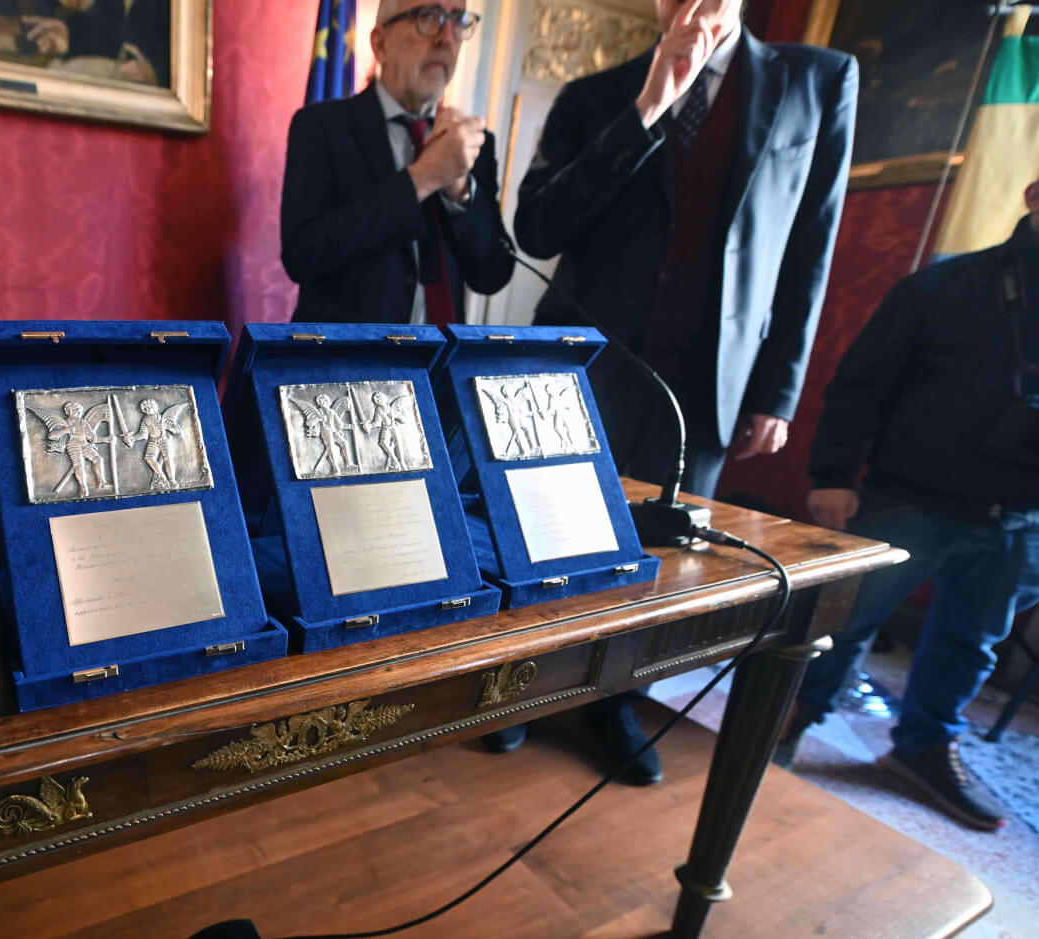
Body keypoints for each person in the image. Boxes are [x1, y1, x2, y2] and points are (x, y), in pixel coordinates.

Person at [497, 0, 858, 782]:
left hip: (709, 378)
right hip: (583, 367)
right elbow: (537, 228)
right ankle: (519, 688)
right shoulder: (596, 96)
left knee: (661, 554)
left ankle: (614, 702)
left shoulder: (819, 82)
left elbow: (811, 245)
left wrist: (778, 391)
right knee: (548, 533)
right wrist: (647, 108)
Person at [775, 179, 1039, 832]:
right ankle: (786, 720)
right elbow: (860, 383)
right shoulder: (946, 284)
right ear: (1034, 196)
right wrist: (834, 474)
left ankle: (923, 747)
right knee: (843, 620)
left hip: (1022, 515)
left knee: (972, 643)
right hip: (912, 494)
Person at [280, 0, 514, 324]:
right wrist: (423, 178)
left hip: (441, 355)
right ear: (380, 43)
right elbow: (302, 257)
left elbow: (493, 274)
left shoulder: (475, 143)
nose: (447, 38)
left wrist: (459, 188)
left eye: (458, 19)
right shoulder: (320, 126)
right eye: (429, 16)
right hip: (346, 353)